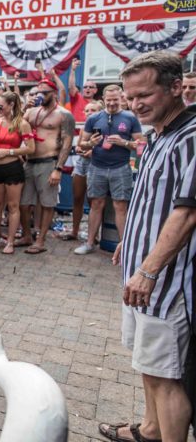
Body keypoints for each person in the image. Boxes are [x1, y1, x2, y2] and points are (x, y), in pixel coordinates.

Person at [98, 51, 196, 442]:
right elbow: (152, 201)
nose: (136, 104)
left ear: (176, 87)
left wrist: (149, 269)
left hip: (167, 282)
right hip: (141, 273)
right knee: (149, 364)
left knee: (168, 374)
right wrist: (129, 241)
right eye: (129, 97)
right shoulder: (158, 134)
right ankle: (151, 428)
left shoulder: (190, 137)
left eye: (144, 95)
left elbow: (188, 214)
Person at [73, 85, 143, 255]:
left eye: (115, 100)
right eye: (109, 100)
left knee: (120, 206)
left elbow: (141, 144)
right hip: (97, 167)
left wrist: (124, 142)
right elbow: (81, 144)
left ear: (121, 98)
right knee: (96, 204)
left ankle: (124, 248)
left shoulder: (130, 118)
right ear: (103, 99)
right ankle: (90, 243)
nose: (112, 103)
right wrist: (91, 144)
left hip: (121, 167)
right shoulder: (94, 118)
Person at [17, 78, 75, 254]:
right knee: (24, 203)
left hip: (48, 162)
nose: (40, 95)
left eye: (45, 92)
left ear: (54, 93)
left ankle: (40, 240)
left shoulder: (64, 115)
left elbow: (67, 143)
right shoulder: (32, 111)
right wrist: (26, 107)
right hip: (29, 162)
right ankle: (27, 235)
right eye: (37, 92)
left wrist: (58, 169)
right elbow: (15, 126)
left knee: (47, 203)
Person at [0, 92, 35, 254]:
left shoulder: (22, 124)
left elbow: (31, 148)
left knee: (13, 206)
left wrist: (9, 152)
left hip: (13, 168)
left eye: (0, 106)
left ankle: (10, 241)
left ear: (11, 105)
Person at [61, 101, 102, 242]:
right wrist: (80, 149)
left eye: (93, 110)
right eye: (87, 110)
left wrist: (92, 152)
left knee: (93, 201)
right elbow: (79, 146)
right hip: (81, 163)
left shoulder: (104, 127)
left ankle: (94, 235)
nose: (90, 112)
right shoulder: (85, 128)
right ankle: (74, 231)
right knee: (77, 197)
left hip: (96, 164)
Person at [67, 58, 96, 123]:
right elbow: (71, 87)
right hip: (75, 131)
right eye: (85, 87)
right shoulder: (77, 98)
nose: (87, 88)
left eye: (90, 87)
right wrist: (73, 70)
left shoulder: (97, 104)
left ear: (95, 90)